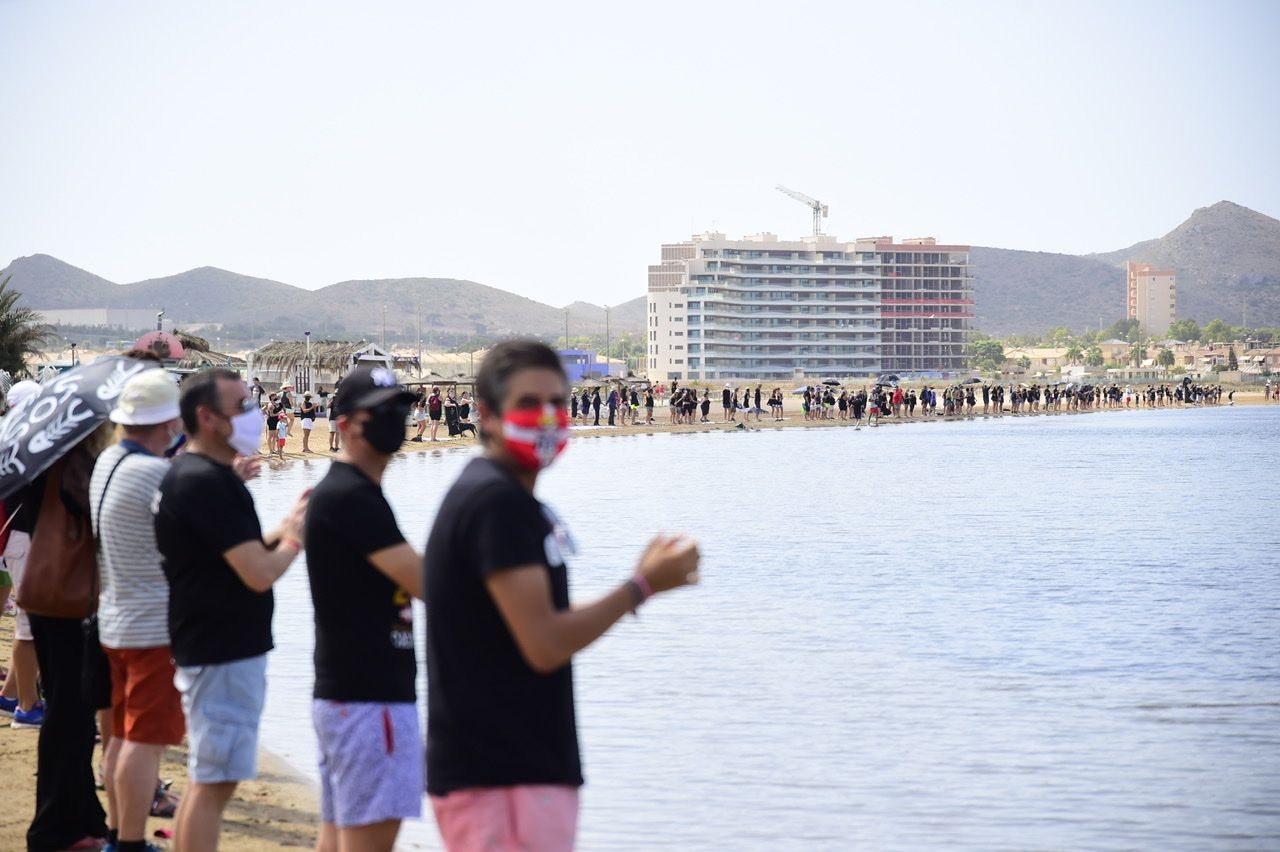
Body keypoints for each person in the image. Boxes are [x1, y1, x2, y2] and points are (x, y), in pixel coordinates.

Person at [423, 340, 701, 850]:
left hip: (515, 769)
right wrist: (640, 586)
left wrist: (636, 588)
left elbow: (529, 621)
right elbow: (545, 644)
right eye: (530, 403)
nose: (548, 417)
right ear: (487, 414)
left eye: (559, 403)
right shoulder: (495, 502)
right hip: (501, 772)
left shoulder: (510, 499)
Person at [154, 369, 309, 852]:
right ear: (206, 417)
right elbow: (259, 571)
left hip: (215, 644)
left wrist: (283, 524)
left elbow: (233, 550)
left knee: (212, 779)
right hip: (220, 649)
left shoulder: (202, 475)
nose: (252, 413)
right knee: (214, 782)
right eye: (241, 405)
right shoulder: (202, 480)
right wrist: (297, 536)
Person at [305, 366, 424, 852]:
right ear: (344, 424)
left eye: (400, 408)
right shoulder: (350, 497)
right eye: (380, 412)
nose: (394, 419)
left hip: (351, 696)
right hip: (368, 698)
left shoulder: (354, 493)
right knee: (368, 838)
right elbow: (427, 582)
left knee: (340, 835)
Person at [91, 369, 193, 852]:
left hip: (115, 616)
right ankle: (129, 842)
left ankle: (118, 832)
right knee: (142, 740)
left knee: (122, 736)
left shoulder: (108, 460)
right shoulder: (151, 472)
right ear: (169, 421)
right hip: (150, 623)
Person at [0, 380, 43, 729]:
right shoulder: (20, 444)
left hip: (20, 540)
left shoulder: (15, 440)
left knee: (28, 624)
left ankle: (13, 696)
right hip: (23, 539)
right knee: (30, 626)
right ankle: (27, 706)